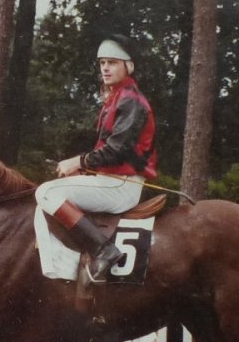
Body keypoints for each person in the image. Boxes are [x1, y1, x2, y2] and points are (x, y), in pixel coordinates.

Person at [35, 34, 157, 282]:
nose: (105, 68)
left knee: (46, 192)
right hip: (111, 180)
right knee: (43, 203)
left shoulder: (131, 101)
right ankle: (63, 273)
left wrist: (78, 162)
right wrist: (86, 168)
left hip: (122, 185)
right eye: (102, 63)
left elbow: (117, 150)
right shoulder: (117, 98)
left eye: (112, 62)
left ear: (128, 66)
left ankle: (104, 249)